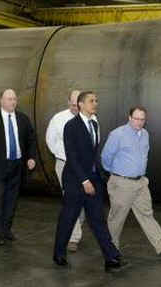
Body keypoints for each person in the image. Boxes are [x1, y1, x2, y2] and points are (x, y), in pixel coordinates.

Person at [53, 91, 127, 273]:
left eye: (96, 101)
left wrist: (99, 176)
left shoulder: (94, 123)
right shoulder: (71, 126)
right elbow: (72, 156)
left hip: (93, 180)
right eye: (91, 101)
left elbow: (94, 154)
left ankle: (110, 257)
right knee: (68, 218)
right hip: (75, 181)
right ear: (80, 105)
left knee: (97, 220)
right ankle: (59, 253)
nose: (95, 104)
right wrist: (84, 180)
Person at [101, 106, 161, 255]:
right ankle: (111, 249)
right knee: (117, 218)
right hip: (122, 183)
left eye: (142, 119)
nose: (139, 122)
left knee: (146, 213)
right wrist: (117, 174)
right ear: (129, 118)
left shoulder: (145, 134)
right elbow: (106, 157)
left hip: (141, 182)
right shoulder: (118, 134)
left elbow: (144, 155)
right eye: (136, 119)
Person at [0, 88, 36, 246]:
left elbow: (31, 139)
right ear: (1, 100)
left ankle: (6, 229)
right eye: (9, 99)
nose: (13, 102)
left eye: (14, 99)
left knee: (12, 200)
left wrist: (31, 157)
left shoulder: (23, 119)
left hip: (17, 165)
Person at [46, 90, 98, 252]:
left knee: (82, 203)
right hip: (65, 166)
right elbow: (50, 140)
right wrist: (62, 155)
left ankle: (75, 230)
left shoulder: (93, 119)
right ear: (69, 102)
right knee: (71, 200)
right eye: (73, 104)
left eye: (78, 104)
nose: (75, 107)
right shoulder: (59, 119)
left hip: (85, 168)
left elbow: (95, 142)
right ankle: (74, 237)